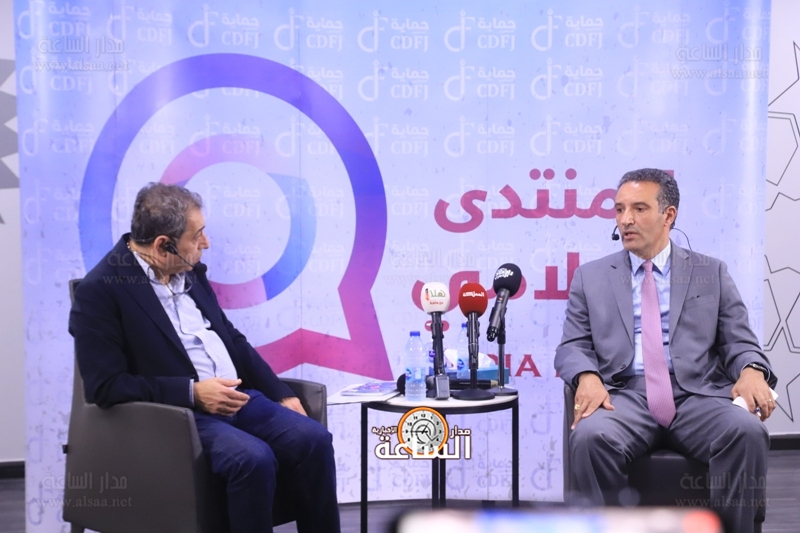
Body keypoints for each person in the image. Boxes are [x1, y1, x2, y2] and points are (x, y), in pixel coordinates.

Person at [69, 182, 340, 533]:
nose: (206, 243)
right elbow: (105, 386)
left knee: (314, 440)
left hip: (239, 398)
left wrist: (279, 392)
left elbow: (231, 338)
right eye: (197, 236)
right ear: (163, 245)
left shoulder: (188, 271)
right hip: (179, 417)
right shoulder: (101, 291)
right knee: (253, 458)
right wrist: (193, 393)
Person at [554, 168, 776, 533]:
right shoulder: (591, 277)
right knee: (591, 438)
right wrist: (587, 375)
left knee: (747, 431)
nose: (626, 219)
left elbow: (739, 340)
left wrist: (752, 369)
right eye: (620, 209)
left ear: (668, 215)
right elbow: (572, 344)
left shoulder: (710, 272)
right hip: (624, 397)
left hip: (697, 396)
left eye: (639, 208)